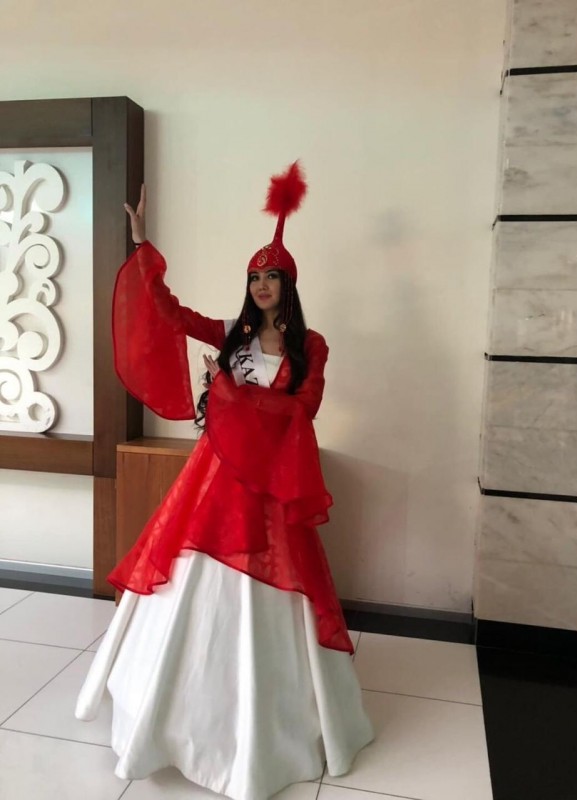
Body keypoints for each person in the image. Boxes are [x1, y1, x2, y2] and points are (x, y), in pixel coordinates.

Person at [75, 161, 373, 800]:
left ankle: (273, 724)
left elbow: (304, 410)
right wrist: (143, 248)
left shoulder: (312, 346)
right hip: (217, 475)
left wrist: (231, 394)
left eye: (272, 276)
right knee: (190, 578)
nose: (261, 285)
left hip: (273, 483)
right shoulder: (231, 334)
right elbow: (170, 313)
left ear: (288, 285)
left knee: (279, 587)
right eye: (254, 277)